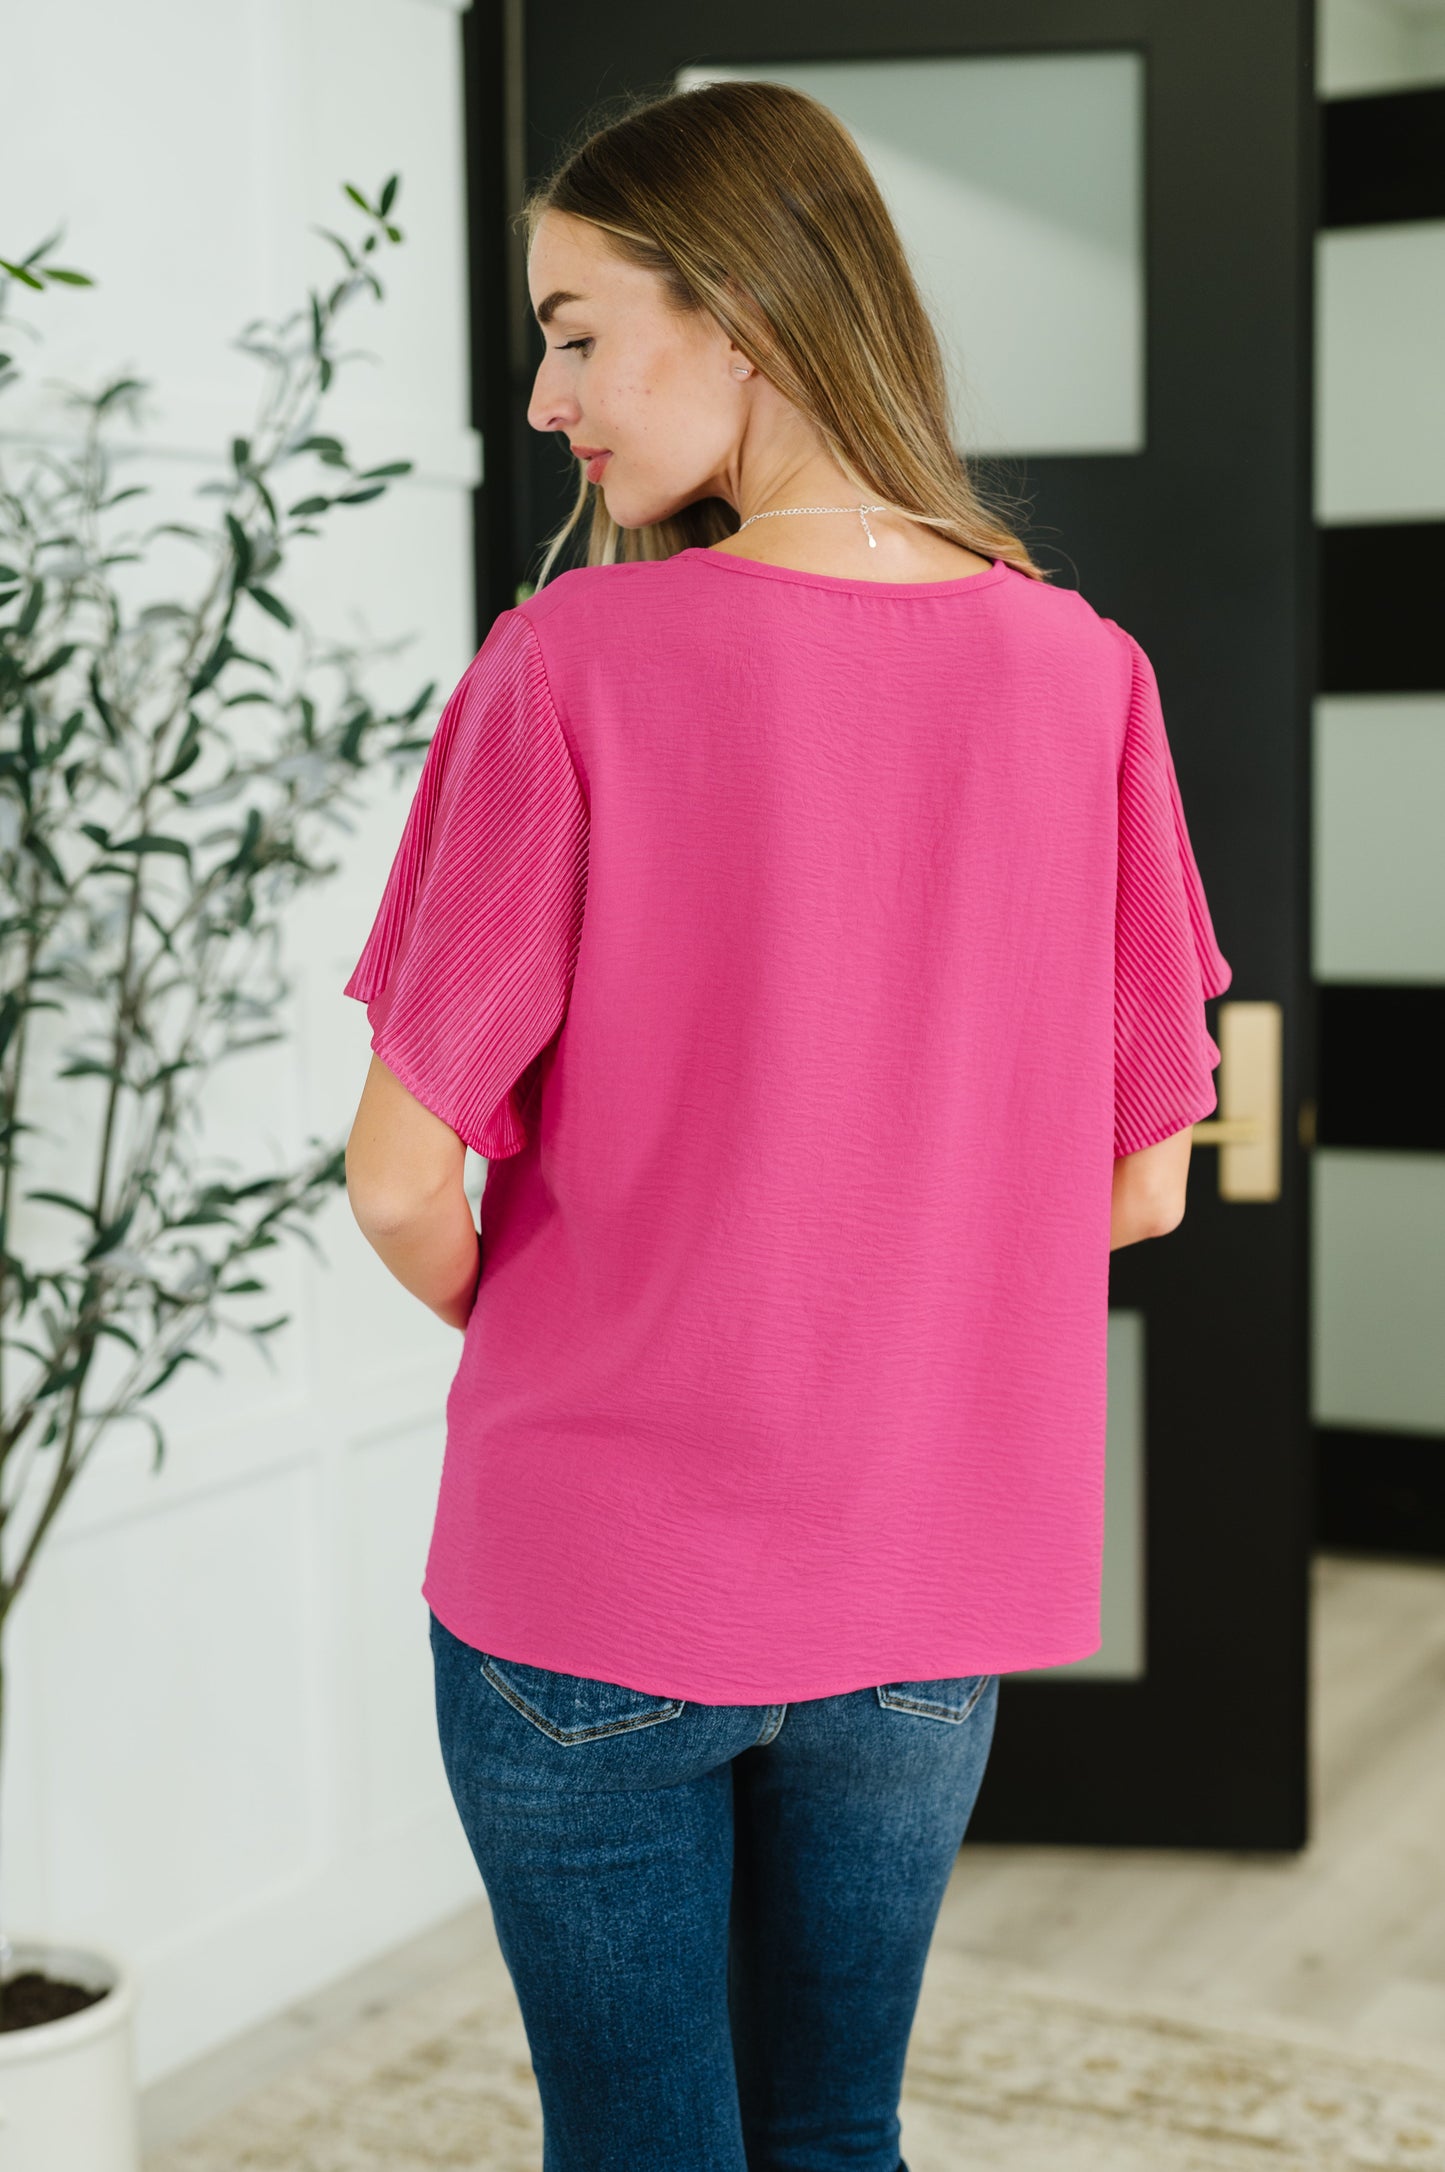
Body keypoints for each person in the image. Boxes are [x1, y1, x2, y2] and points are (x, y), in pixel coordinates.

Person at [341, 77, 1232, 2172]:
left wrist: (585, 1325)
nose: (547, 395)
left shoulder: (570, 662)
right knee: (835, 2132)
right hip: (920, 1586)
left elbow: (396, 1177)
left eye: (576, 331)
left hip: (594, 1585)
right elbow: (1141, 1182)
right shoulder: (1082, 671)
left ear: (736, 313)